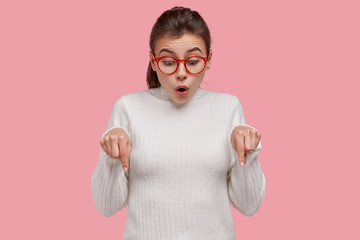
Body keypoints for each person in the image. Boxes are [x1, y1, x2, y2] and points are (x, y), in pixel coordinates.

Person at [91, 6, 266, 239]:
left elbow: (249, 206)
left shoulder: (228, 108)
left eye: (193, 61)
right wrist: (110, 158)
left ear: (209, 59)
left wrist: (248, 153)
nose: (181, 73)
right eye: (168, 61)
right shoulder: (128, 108)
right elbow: (106, 207)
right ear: (153, 61)